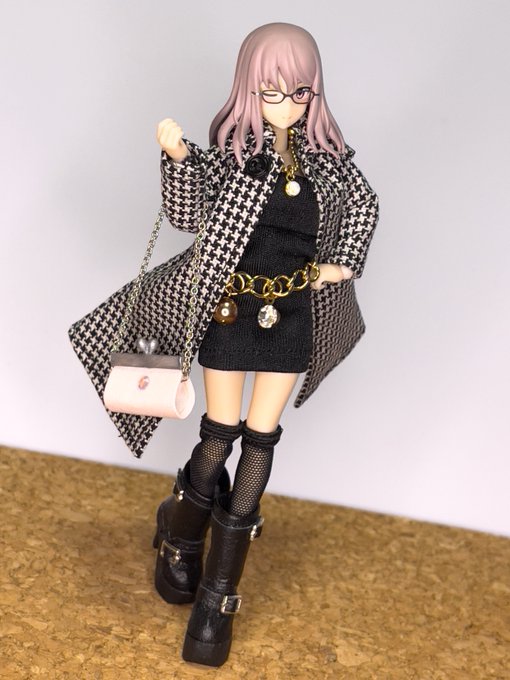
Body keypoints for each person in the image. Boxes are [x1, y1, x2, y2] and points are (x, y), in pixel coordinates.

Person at [68, 21, 379, 668]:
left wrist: (343, 264)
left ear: (314, 93)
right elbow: (186, 215)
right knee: (219, 434)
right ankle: (180, 535)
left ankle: (217, 597)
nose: (286, 104)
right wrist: (178, 159)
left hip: (291, 314)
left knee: (261, 442)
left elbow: (365, 205)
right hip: (230, 309)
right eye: (271, 92)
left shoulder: (331, 166)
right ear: (249, 90)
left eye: (299, 92)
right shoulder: (232, 157)